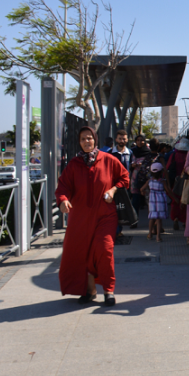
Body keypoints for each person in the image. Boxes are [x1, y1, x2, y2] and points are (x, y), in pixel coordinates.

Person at [55, 126, 129, 306]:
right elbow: (63, 187)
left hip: (105, 215)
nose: (87, 141)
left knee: (104, 250)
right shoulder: (74, 164)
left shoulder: (109, 160)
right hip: (80, 218)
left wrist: (113, 189)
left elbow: (125, 178)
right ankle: (89, 291)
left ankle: (108, 290)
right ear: (79, 143)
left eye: (89, 138)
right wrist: (63, 200)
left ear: (95, 140)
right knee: (83, 253)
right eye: (83, 139)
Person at [111, 129, 133, 241]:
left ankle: (121, 228)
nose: (122, 140)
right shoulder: (110, 154)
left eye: (124, 138)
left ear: (127, 139)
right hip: (114, 186)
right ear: (116, 139)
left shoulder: (130, 153)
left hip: (126, 185)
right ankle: (116, 230)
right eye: (120, 138)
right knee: (115, 208)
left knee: (124, 207)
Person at [166, 137, 189, 230]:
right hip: (187, 181)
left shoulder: (173, 155)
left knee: (175, 201)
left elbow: (168, 168)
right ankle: (185, 221)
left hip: (175, 182)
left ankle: (175, 218)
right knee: (186, 201)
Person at [142, 162, 169, 241]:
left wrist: (143, 192)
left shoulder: (149, 181)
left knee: (152, 218)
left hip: (152, 203)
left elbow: (142, 189)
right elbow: (168, 191)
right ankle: (158, 237)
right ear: (161, 172)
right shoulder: (162, 181)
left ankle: (150, 234)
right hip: (161, 202)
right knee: (159, 220)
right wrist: (175, 198)